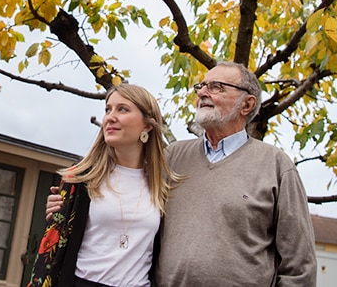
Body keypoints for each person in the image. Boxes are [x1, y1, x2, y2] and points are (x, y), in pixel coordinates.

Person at [47, 62, 317, 286]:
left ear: (247, 105)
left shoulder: (276, 166)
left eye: (216, 87)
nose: (203, 93)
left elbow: (299, 266)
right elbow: (125, 189)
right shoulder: (172, 157)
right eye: (201, 86)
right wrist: (69, 204)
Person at [28, 83, 181, 287]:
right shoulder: (81, 178)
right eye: (108, 109)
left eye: (122, 109)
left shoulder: (162, 185)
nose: (110, 117)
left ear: (147, 125)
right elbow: (50, 252)